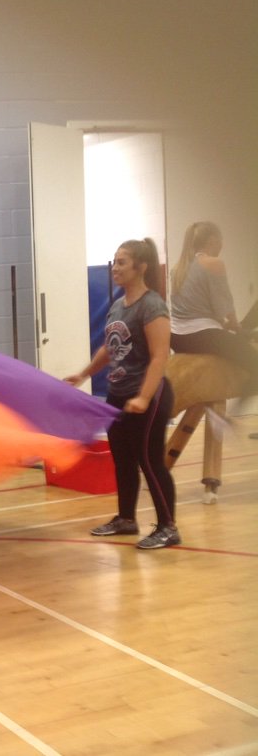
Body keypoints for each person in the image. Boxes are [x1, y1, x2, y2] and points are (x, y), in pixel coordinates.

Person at [65, 239, 179, 550]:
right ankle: (126, 519)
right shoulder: (118, 305)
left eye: (122, 262)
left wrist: (144, 397)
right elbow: (109, 346)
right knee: (123, 460)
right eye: (114, 261)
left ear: (141, 267)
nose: (115, 267)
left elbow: (159, 356)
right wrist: (85, 373)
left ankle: (168, 527)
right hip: (119, 394)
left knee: (149, 459)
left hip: (148, 396)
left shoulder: (152, 305)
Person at [169, 221, 258, 392]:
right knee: (254, 360)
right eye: (221, 241)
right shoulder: (214, 263)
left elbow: (195, 313)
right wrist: (239, 329)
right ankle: (247, 392)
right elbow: (224, 308)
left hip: (177, 338)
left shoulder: (177, 267)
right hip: (202, 337)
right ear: (213, 241)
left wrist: (227, 327)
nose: (222, 246)